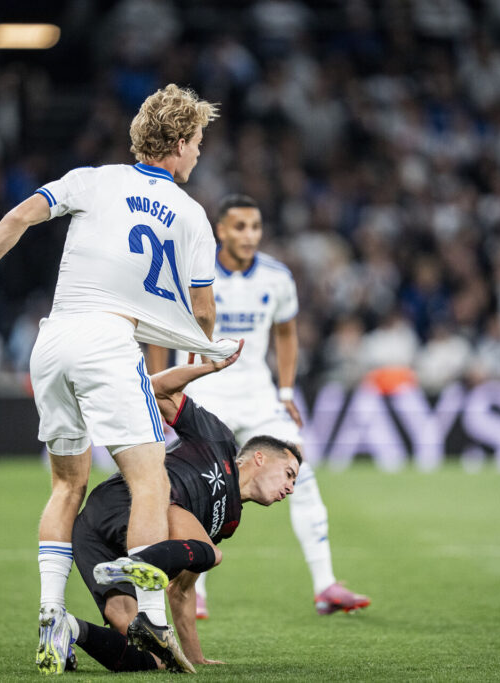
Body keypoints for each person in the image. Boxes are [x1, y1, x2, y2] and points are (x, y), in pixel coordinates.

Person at [0, 84, 241, 674]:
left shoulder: (90, 177)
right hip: (111, 343)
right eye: (198, 143)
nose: (198, 155)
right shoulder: (190, 214)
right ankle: (156, 620)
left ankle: (50, 616)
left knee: (67, 486)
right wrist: (206, 345)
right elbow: (205, 312)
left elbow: (19, 216)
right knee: (149, 481)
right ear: (182, 142)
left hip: (53, 339)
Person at [148, 194, 369, 616]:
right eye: (239, 227)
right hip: (203, 390)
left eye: (255, 227)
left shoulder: (277, 277)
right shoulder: (191, 270)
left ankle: (325, 585)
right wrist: (158, 392)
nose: (249, 235)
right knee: (203, 484)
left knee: (300, 470)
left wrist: (285, 392)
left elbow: (286, 334)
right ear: (221, 231)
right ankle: (196, 591)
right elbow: (159, 333)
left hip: (257, 393)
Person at [68, 341, 301, 672]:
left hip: (92, 532)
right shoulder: (218, 439)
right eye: (289, 474)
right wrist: (203, 369)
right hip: (128, 499)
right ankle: (139, 562)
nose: (290, 488)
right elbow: (156, 391)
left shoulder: (229, 521)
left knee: (152, 659)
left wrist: (194, 656)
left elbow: (183, 590)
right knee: (211, 552)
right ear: (260, 458)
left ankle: (69, 629)